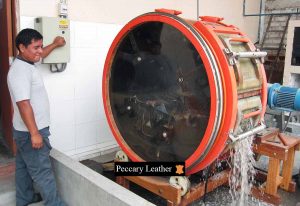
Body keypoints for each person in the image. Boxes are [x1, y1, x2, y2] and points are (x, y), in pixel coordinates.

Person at [7, 28, 66, 206]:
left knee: (23, 168)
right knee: (43, 171)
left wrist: (55, 44)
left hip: (23, 130)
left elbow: (41, 55)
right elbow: (23, 104)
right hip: (31, 131)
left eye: (40, 46)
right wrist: (34, 133)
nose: (40, 51)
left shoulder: (28, 63)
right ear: (22, 47)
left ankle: (25, 199)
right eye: (36, 47)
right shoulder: (19, 71)